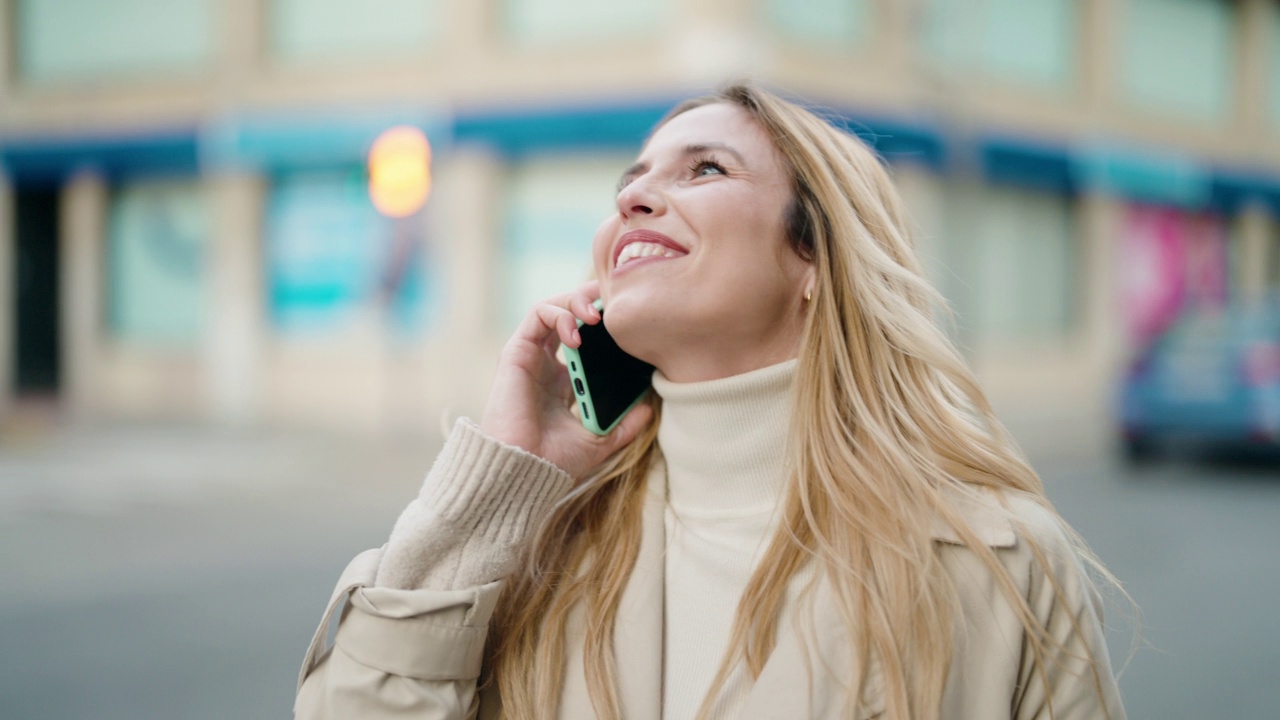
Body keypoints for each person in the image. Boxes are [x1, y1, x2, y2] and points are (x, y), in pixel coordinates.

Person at [294, 84, 1128, 720]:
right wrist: (496, 493)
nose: (633, 198)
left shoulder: (1004, 562)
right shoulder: (537, 542)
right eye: (632, 182)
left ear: (815, 259)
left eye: (706, 169)